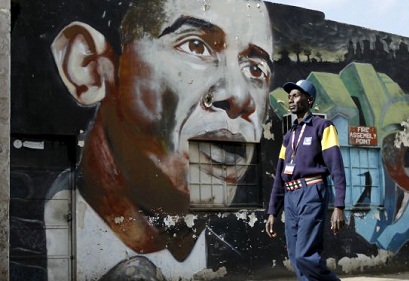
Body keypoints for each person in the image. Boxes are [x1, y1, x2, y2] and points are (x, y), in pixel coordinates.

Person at [47, 0, 273, 279]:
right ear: (90, 68)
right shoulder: (28, 250)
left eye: (255, 70)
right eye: (196, 46)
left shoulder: (243, 261)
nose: (239, 96)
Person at [265, 79, 346, 281]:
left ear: (309, 100)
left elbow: (336, 166)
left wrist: (339, 206)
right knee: (295, 258)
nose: (290, 100)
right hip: (291, 197)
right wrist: (273, 211)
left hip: (312, 192)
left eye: (295, 95)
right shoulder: (289, 136)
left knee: (305, 256)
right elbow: (280, 176)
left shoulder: (323, 127)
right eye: (289, 96)